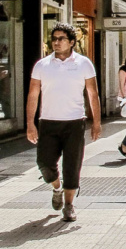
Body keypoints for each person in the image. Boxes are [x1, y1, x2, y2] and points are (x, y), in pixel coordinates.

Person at [25, 22, 101, 222]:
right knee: (44, 162)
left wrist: (96, 122)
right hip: (48, 122)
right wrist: (30, 124)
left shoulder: (83, 63)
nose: (56, 43)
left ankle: (69, 205)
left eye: (61, 39)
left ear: (72, 42)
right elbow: (33, 95)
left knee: (72, 166)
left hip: (75, 123)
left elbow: (92, 93)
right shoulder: (42, 65)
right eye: (54, 39)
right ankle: (56, 188)